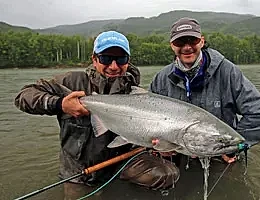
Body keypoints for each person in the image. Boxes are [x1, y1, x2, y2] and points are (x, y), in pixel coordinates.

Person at [15, 31, 179, 199]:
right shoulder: (71, 82)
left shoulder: (134, 92)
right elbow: (23, 96)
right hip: (79, 171)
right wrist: (60, 104)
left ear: (128, 61)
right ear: (94, 59)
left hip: (122, 161)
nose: (114, 66)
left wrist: (158, 142)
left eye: (121, 59)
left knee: (166, 174)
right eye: (106, 58)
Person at [149, 18, 260, 163]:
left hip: (220, 156)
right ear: (172, 46)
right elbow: (149, 121)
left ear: (201, 41)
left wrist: (234, 147)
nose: (187, 47)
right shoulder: (161, 79)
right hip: (178, 153)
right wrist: (158, 146)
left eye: (192, 40)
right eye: (180, 42)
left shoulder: (228, 72)